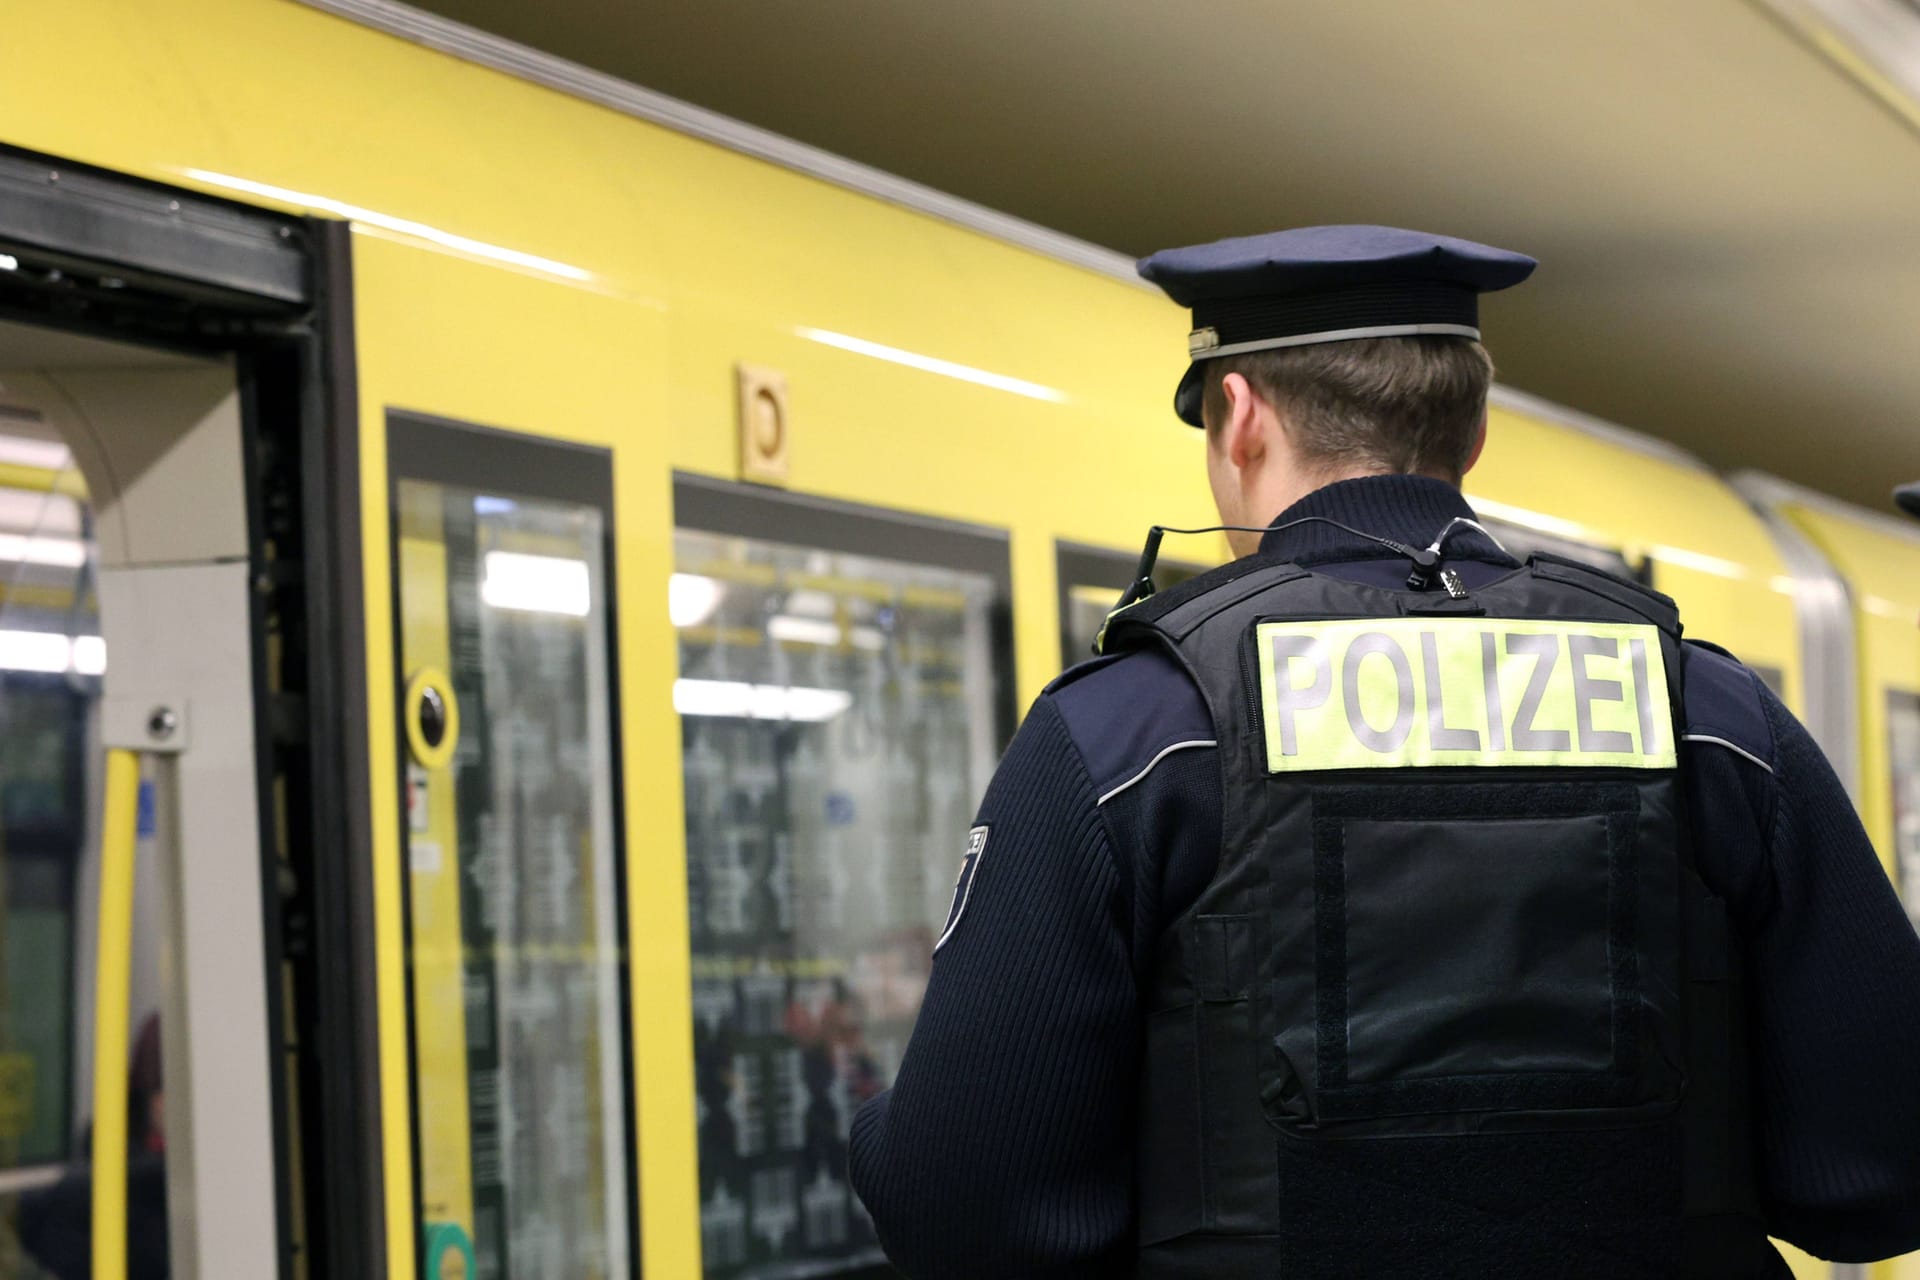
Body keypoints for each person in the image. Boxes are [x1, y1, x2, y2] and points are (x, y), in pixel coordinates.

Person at [847, 226, 1920, 1279]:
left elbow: (965, 1210)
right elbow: (1875, 1172)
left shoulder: (1137, 727)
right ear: (1475, 435)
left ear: (1240, 414)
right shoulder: (1709, 714)